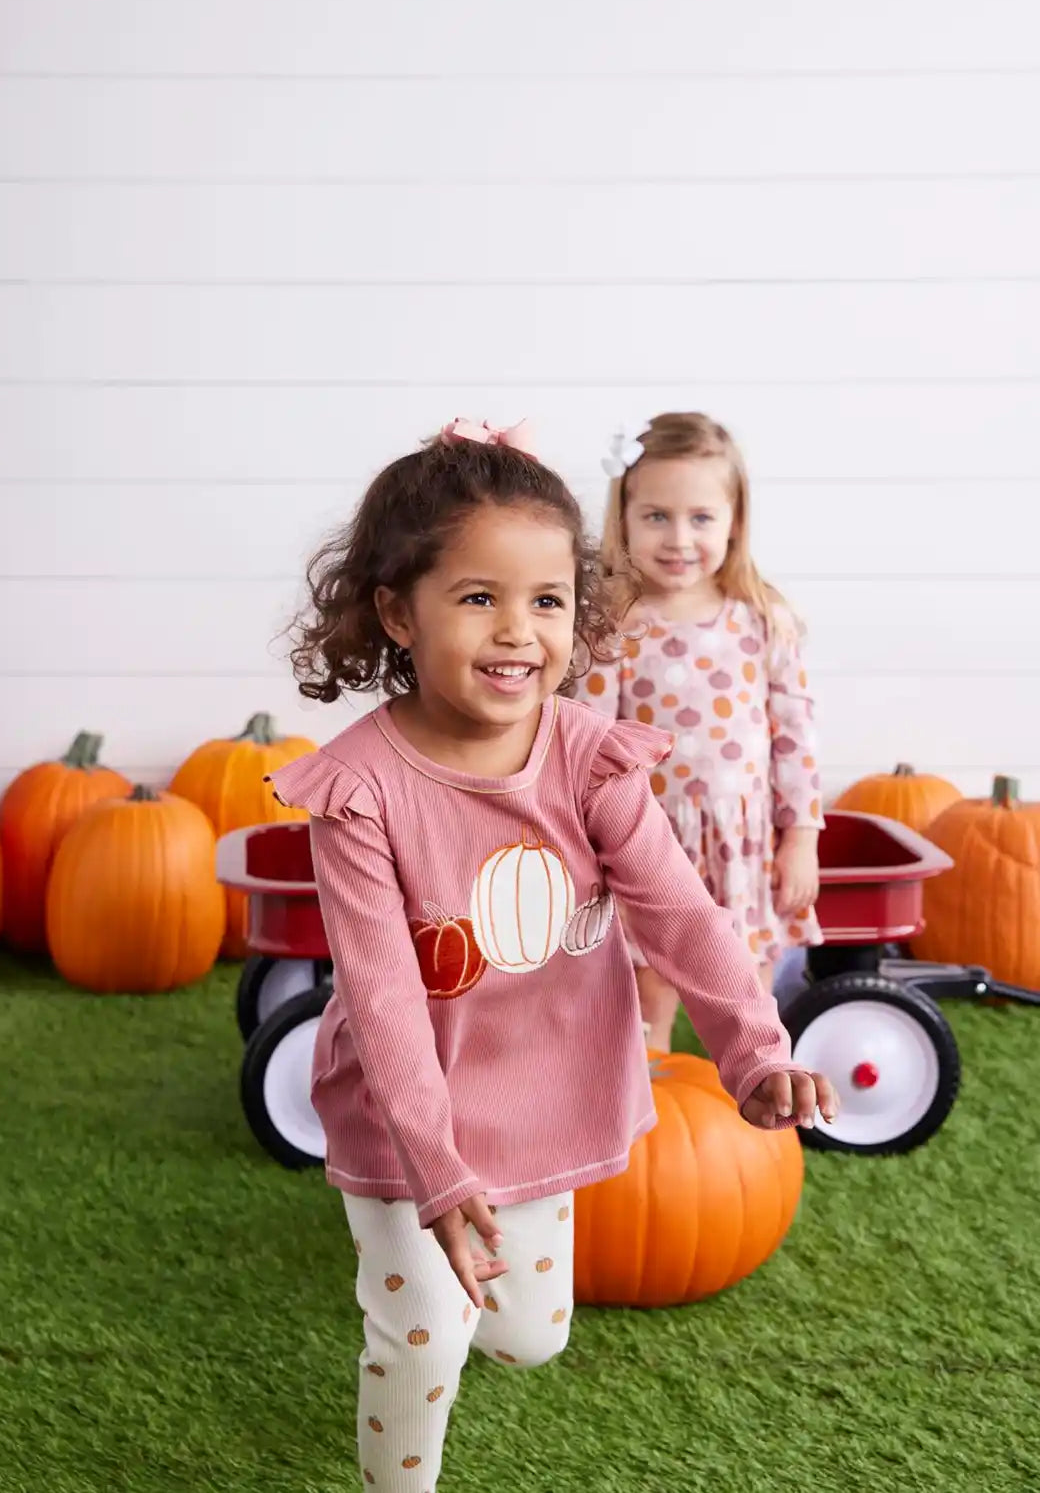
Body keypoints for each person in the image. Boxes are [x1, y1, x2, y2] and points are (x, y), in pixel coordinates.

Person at [267, 418, 837, 1493]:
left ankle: (431, 1284)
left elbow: (679, 911)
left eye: (546, 601)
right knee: (423, 1334)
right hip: (408, 1117)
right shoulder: (357, 792)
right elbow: (383, 993)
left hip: (544, 1088)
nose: (517, 632)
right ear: (397, 611)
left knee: (530, 1336)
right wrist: (434, 1174)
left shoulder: (588, 757)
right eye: (477, 598)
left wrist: (754, 1052)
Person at [571, 411, 825, 1049]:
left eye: (701, 518)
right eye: (656, 515)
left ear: (734, 521)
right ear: (623, 519)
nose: (678, 537)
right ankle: (650, 1113)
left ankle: (752, 1106)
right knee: (649, 986)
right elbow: (592, 742)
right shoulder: (615, 626)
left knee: (747, 989)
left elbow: (795, 738)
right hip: (649, 843)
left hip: (741, 844)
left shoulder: (762, 619)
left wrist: (801, 838)